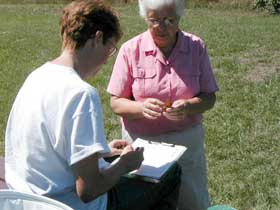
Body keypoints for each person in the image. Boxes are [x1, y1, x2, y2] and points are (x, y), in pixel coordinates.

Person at [5, 0, 181, 210]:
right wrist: (125, 165)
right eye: (110, 49)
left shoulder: (37, 76)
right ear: (98, 38)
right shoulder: (81, 93)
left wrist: (102, 150)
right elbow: (88, 190)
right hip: (65, 205)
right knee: (172, 172)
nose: (107, 59)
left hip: (24, 200)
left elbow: (45, 146)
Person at [107, 0, 219, 210]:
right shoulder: (130, 50)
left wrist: (188, 106)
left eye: (169, 20)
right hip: (142, 145)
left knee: (192, 203)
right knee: (147, 204)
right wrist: (140, 108)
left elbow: (209, 97)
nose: (162, 26)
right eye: (155, 20)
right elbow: (116, 103)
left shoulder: (196, 47)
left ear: (179, 18)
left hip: (186, 143)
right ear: (145, 18)